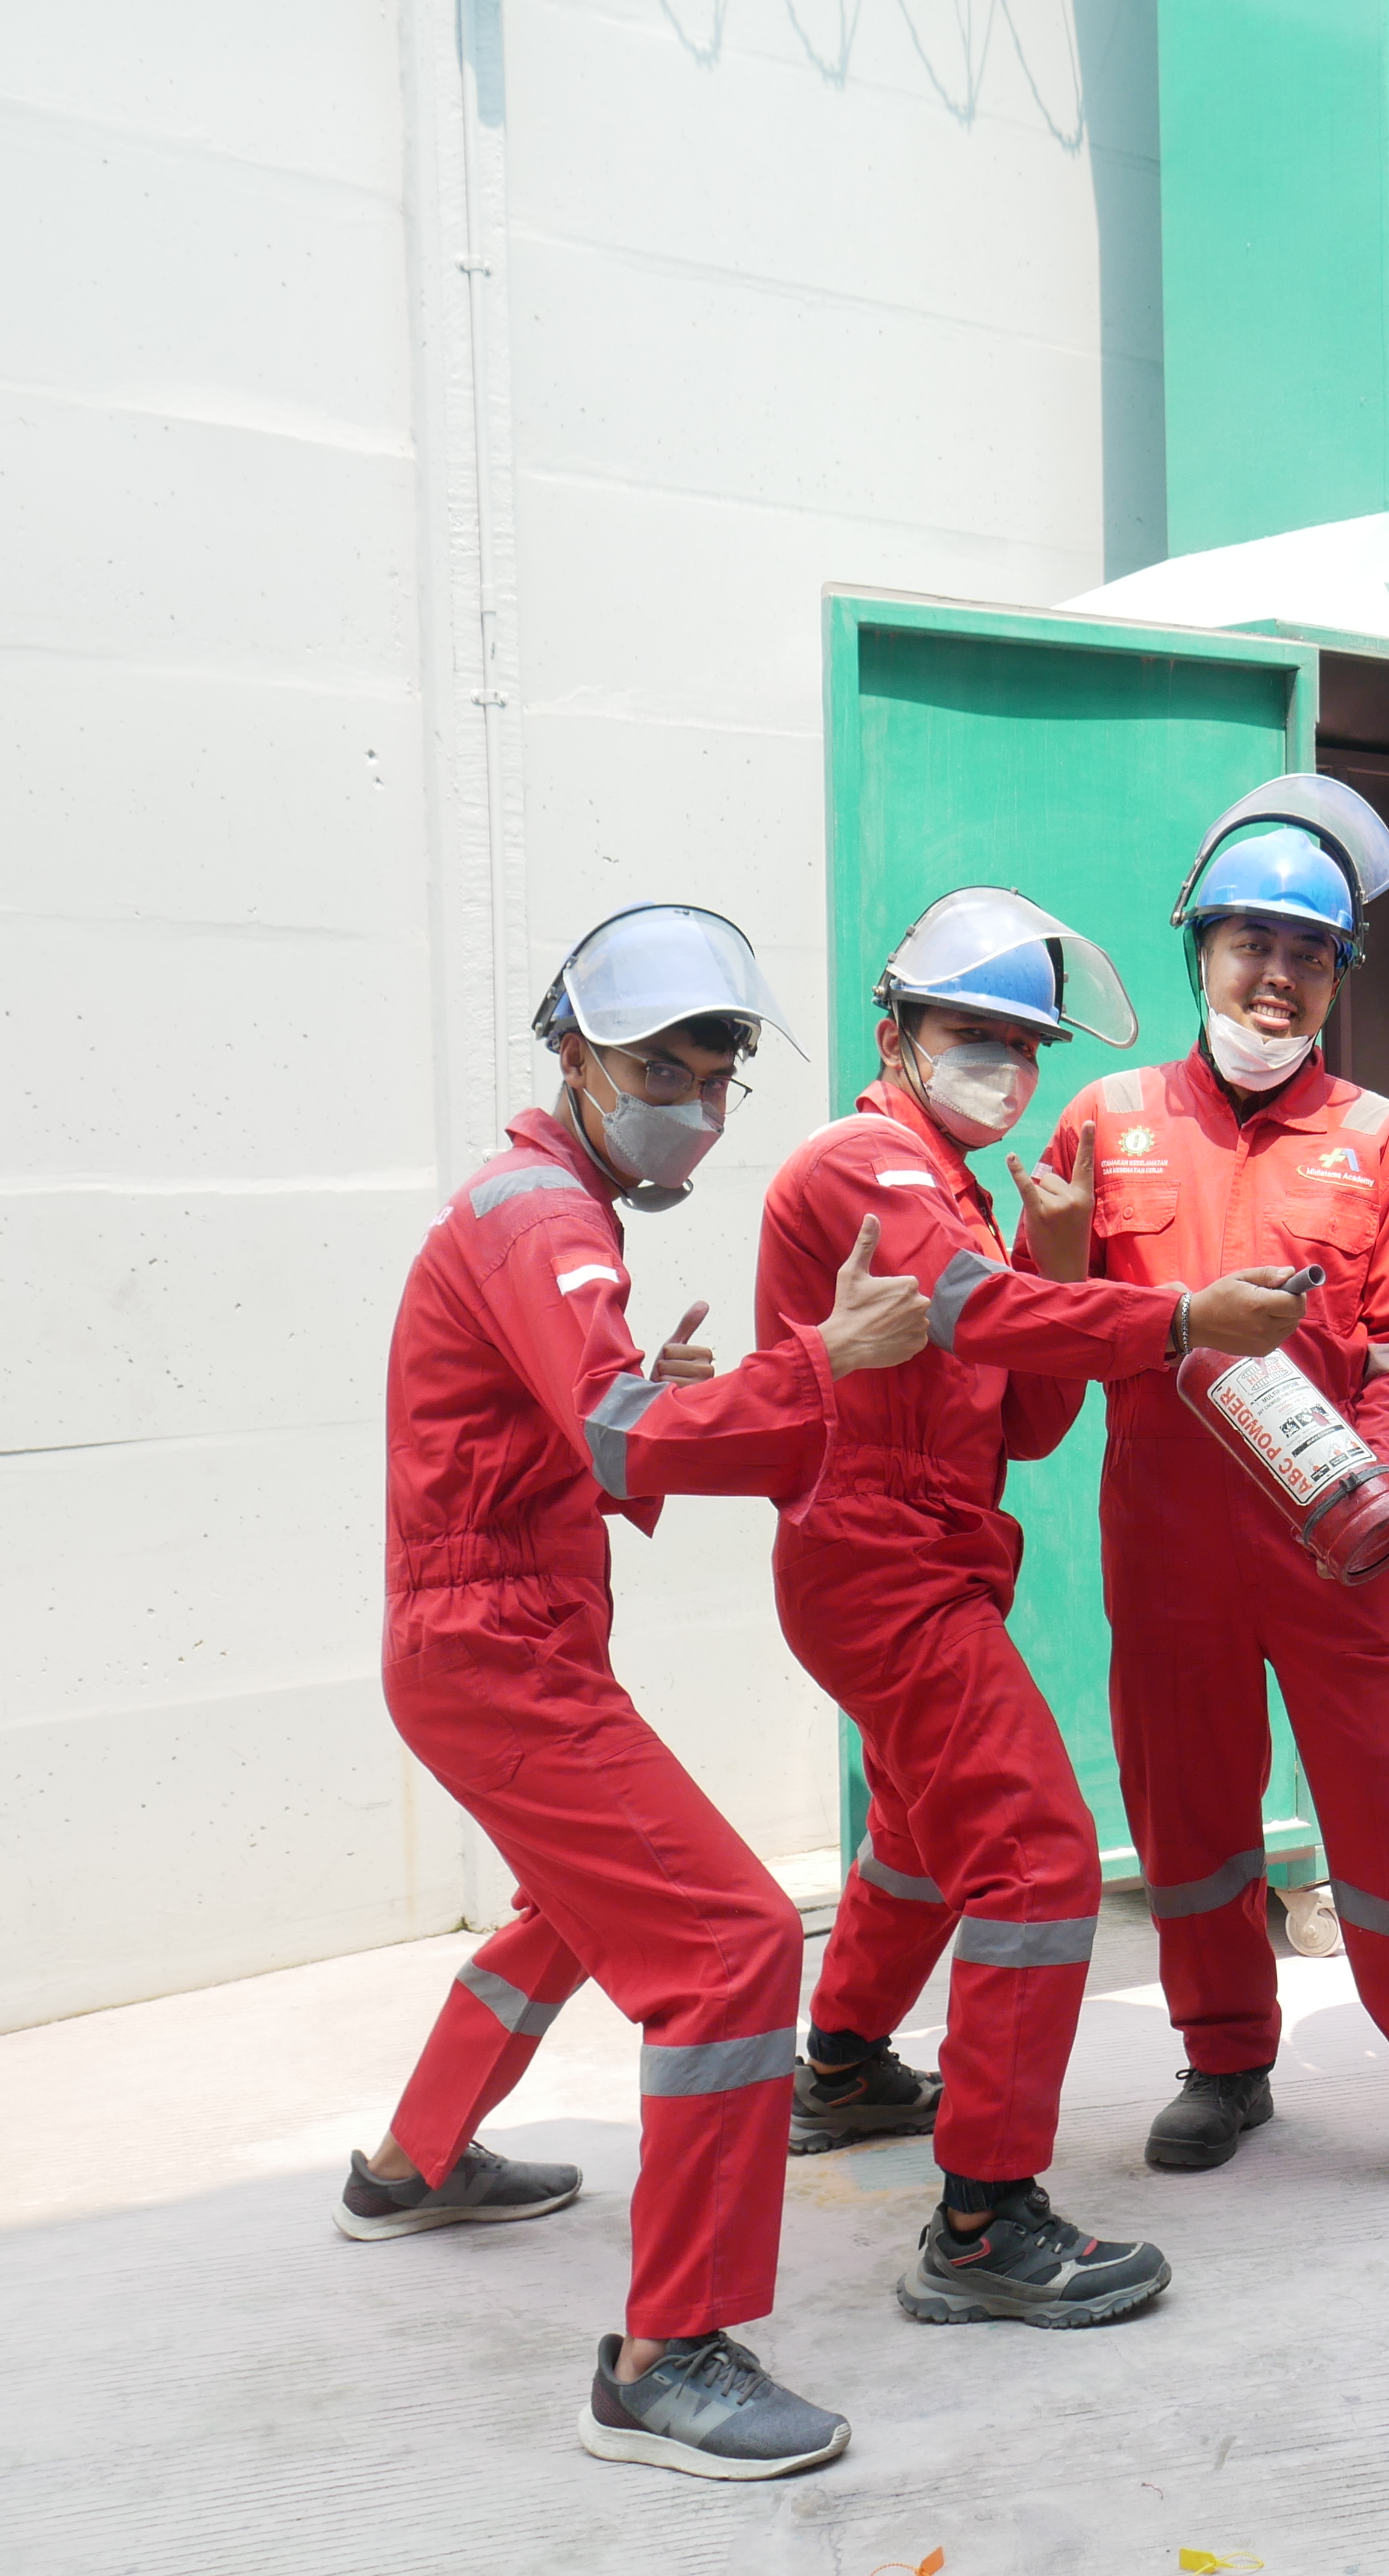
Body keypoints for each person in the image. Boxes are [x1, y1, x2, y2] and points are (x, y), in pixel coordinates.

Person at [344, 904, 932, 2479]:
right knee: (732, 1943)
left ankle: (410, 2161)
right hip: (495, 1651)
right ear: (573, 1053)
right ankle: (669, 2356)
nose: (695, 1103)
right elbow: (624, 1436)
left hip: (492, 1638)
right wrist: (825, 1361)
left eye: (715, 1075)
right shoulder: (550, 1218)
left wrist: (661, 1399)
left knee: (570, 1908)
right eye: (660, 1068)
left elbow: (562, 1427)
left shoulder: (540, 1206)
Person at [764, 886, 1311, 2320]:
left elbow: (1027, 1424)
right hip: (878, 1561)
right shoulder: (866, 1164)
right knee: (1040, 1860)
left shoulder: (954, 1191)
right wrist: (1179, 1315)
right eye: (973, 1033)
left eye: (1024, 1045)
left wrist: (1056, 1257)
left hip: (930, 1560)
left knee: (922, 1839)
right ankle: (983, 2223)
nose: (1004, 1066)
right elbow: (977, 1314)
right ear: (895, 1031)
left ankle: (842, 2067)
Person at [1032, 777, 1389, 2223]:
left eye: (1310, 953)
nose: (1278, 974)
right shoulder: (1104, 1121)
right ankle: (1226, 2060)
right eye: (1252, 942)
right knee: (1189, 1820)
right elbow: (1044, 1333)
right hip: (1169, 1542)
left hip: (1336, 1544)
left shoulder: (1381, 1138)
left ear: (1337, 977)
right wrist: (1058, 1273)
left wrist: (1369, 1480)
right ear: (1202, 949)